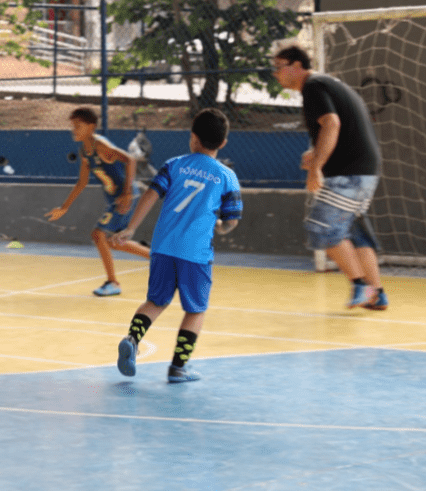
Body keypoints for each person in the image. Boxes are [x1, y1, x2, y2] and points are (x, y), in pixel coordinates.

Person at [110, 108, 242, 383]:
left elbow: (150, 194)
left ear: (193, 137)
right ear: (224, 143)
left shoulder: (174, 165)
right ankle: (178, 368)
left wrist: (131, 228)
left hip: (162, 247)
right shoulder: (227, 176)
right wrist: (220, 226)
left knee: (155, 301)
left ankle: (132, 340)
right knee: (195, 310)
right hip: (195, 253)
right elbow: (232, 221)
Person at [272, 45, 387, 310]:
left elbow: (332, 123)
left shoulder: (313, 86)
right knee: (355, 233)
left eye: (279, 66)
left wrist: (316, 168)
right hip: (364, 171)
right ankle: (378, 293)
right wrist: (316, 153)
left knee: (322, 229)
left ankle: (361, 285)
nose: (276, 73)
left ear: (297, 66)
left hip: (348, 173)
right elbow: (345, 127)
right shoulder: (326, 84)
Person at [46, 107, 150, 296]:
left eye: (78, 126)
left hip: (124, 198)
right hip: (116, 200)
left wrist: (126, 193)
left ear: (91, 127)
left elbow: (131, 160)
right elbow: (82, 182)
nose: (74, 130)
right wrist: (64, 207)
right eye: (73, 126)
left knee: (98, 234)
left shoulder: (101, 146)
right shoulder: (85, 152)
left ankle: (113, 282)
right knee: (115, 242)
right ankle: (163, 261)